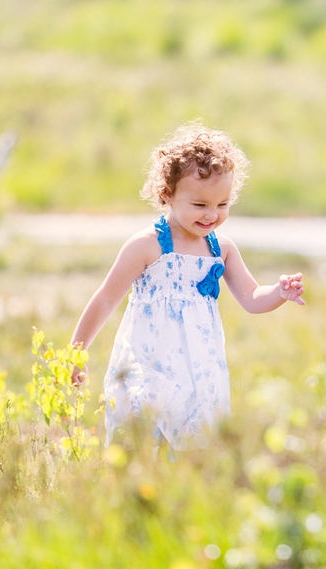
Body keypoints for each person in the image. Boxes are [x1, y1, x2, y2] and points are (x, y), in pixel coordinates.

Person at [70, 122, 305, 448]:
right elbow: (106, 299)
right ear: (167, 194)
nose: (212, 215)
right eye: (200, 205)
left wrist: (279, 292)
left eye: (222, 205)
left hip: (200, 374)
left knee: (194, 446)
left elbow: (251, 297)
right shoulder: (146, 246)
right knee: (140, 441)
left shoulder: (221, 249)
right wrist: (76, 352)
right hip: (148, 367)